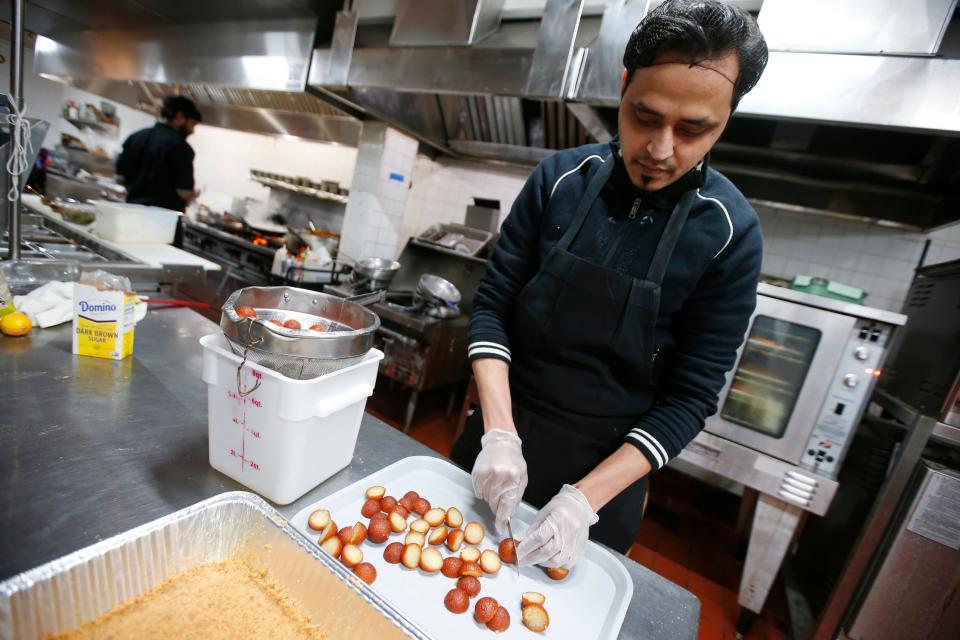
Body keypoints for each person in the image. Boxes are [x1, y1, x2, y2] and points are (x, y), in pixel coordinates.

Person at [451, 0, 769, 569]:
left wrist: (582, 501)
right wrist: (499, 435)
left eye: (695, 130)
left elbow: (691, 397)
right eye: (645, 117)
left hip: (606, 481)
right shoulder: (559, 179)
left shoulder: (730, 234)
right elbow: (494, 306)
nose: (661, 150)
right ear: (623, 86)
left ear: (729, 116)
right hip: (497, 443)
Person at [116, 96, 202, 245]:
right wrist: (193, 195)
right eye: (192, 124)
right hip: (162, 227)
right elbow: (184, 192)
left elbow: (120, 177)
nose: (193, 131)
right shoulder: (180, 148)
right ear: (180, 117)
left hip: (130, 219)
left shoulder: (135, 137)